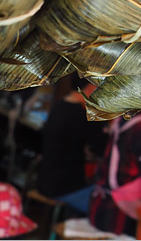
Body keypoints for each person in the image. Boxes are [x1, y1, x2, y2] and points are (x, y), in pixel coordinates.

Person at [36, 77, 108, 215]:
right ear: (90, 88)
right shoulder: (84, 115)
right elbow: (100, 148)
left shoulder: (59, 106)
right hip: (64, 187)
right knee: (105, 211)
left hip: (44, 179)